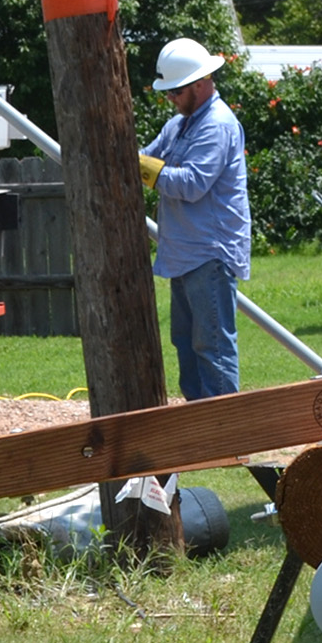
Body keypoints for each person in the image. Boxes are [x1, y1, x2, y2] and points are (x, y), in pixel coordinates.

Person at [139, 38, 251, 400]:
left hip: (210, 253)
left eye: (175, 91)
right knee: (186, 342)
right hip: (187, 254)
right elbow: (146, 157)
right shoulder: (179, 125)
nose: (170, 98)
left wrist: (139, 167)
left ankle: (221, 433)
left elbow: (191, 184)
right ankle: (197, 426)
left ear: (200, 85)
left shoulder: (217, 125)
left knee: (212, 346)